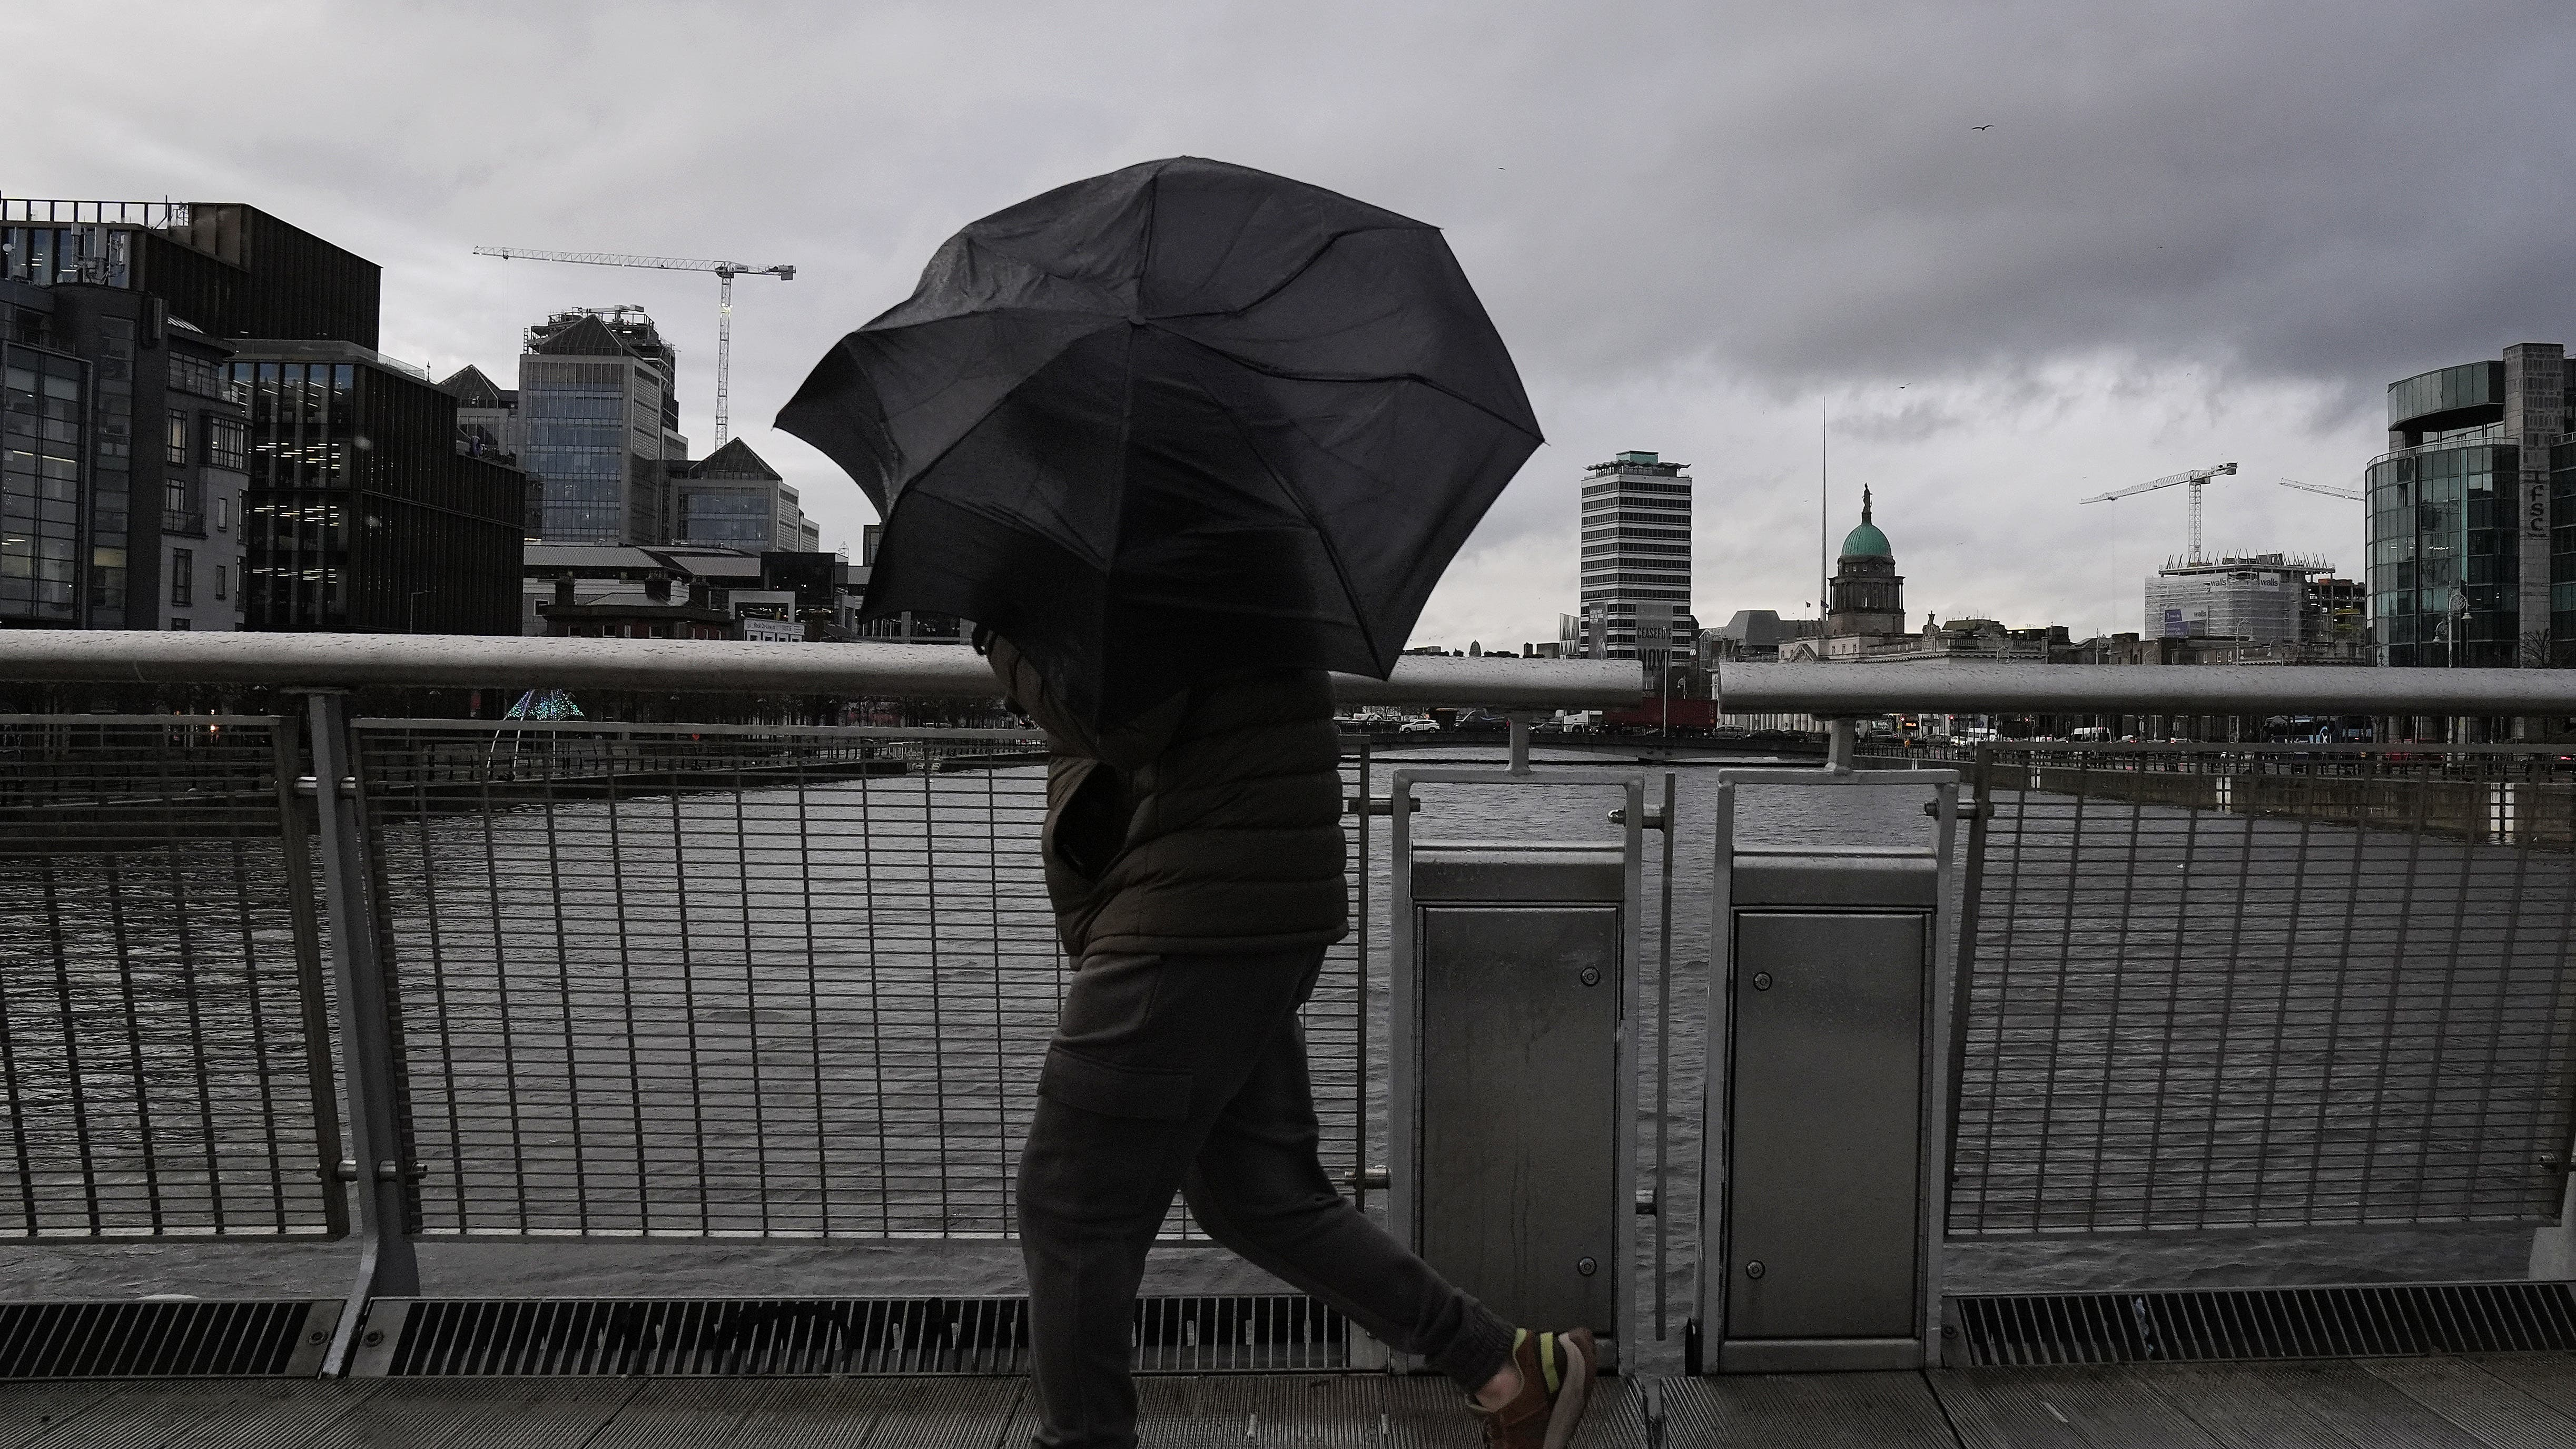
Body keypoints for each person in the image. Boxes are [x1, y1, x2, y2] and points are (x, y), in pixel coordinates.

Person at [982, 630, 1597, 1449]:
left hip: (1185, 915)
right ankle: (1510, 1368)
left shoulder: (1154, 535)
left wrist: (1005, 637)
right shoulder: (1228, 529)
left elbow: (1126, 717)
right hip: (1245, 901)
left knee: (1069, 1206)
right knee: (1258, 1194)